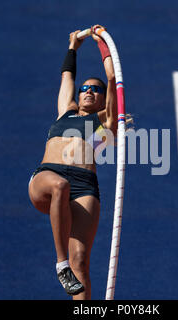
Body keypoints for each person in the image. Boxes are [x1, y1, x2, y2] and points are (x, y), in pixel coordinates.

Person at [28, 25, 117, 300]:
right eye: (85, 89)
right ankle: (60, 263)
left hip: (84, 186)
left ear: (103, 99)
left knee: (82, 262)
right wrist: (73, 48)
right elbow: (67, 76)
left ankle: (72, 273)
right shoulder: (65, 111)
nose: (88, 91)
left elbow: (113, 79)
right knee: (59, 185)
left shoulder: (106, 123)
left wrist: (104, 44)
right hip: (47, 176)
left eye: (95, 90)